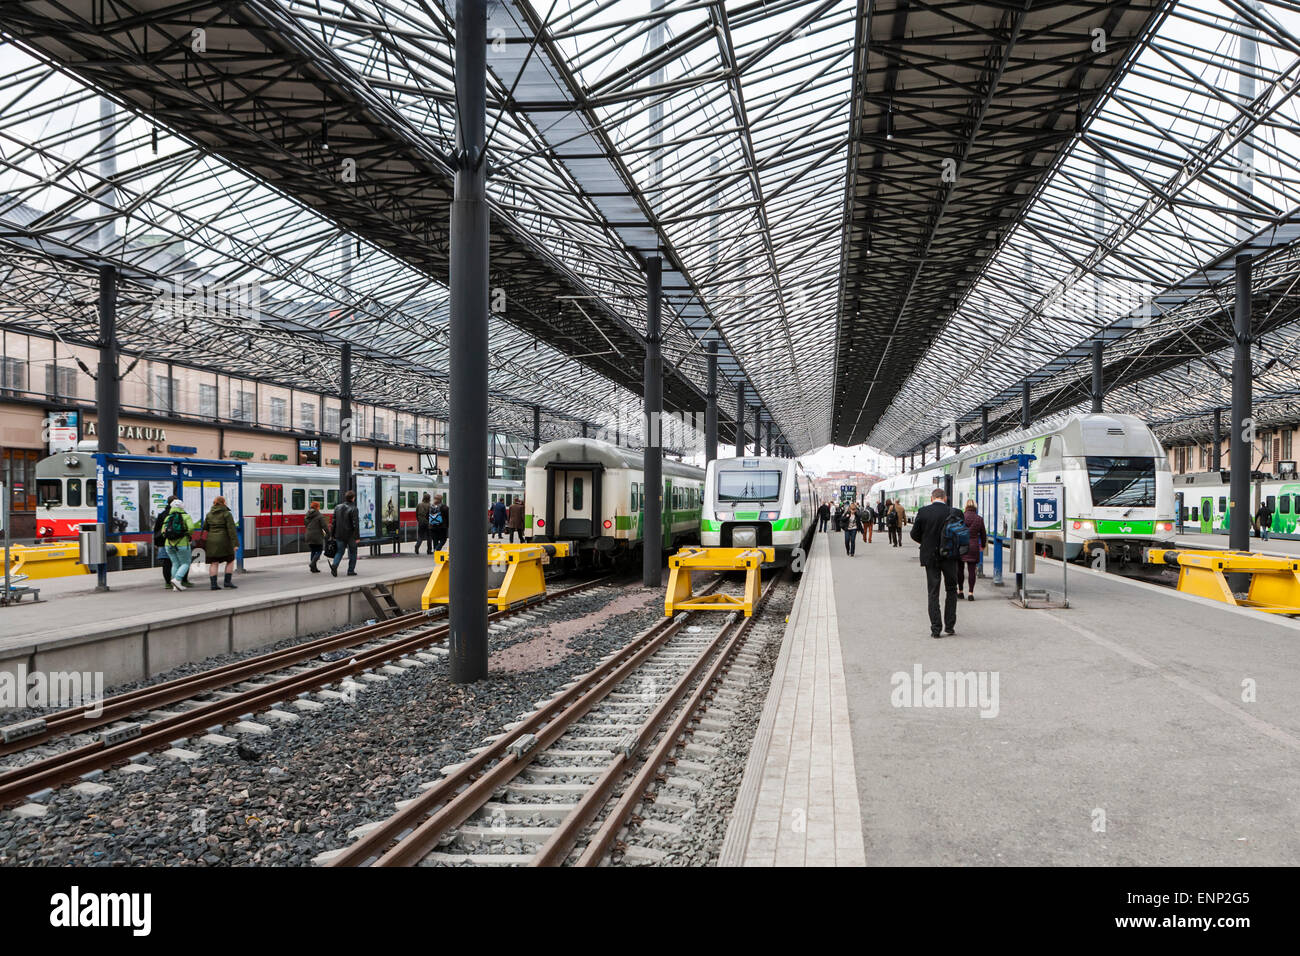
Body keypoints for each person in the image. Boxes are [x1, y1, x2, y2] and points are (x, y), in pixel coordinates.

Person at [910, 488, 962, 638]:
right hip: (950, 556)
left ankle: (936, 629)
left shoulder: (923, 512)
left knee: (933, 592)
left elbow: (914, 534)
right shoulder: (955, 512)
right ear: (945, 498)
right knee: (951, 590)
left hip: (931, 557)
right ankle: (950, 626)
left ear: (932, 498)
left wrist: (926, 542)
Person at [160, 497, 198, 593]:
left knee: (175, 563)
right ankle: (177, 579)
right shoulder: (186, 516)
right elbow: (191, 529)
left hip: (168, 544)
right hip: (182, 543)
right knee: (186, 563)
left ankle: (175, 586)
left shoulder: (168, 517)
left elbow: (163, 532)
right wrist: (185, 534)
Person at [202, 495, 239, 590]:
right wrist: (235, 544)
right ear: (224, 503)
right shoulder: (226, 514)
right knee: (230, 560)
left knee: (214, 562)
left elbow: (205, 527)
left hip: (211, 540)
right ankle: (227, 582)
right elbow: (231, 530)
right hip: (224, 540)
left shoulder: (209, 514)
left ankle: (213, 584)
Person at [152, 495, 188, 590]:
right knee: (182, 562)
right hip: (180, 541)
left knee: (167, 562)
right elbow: (189, 528)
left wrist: (156, 542)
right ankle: (181, 580)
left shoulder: (162, 514)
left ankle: (168, 583)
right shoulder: (183, 514)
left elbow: (157, 530)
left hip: (165, 542)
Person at [958, 499, 987, 601]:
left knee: (960, 570)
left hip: (961, 546)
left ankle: (960, 591)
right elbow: (983, 535)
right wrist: (983, 546)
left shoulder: (960, 518)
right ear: (975, 507)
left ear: (965, 506)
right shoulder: (979, 519)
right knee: (971, 571)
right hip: (974, 547)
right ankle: (970, 593)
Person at [330, 489, 360, 577]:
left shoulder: (337, 507)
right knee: (353, 552)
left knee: (339, 552)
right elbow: (355, 524)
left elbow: (333, 523)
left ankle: (334, 565)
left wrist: (332, 535)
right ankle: (350, 570)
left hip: (339, 534)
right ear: (353, 498)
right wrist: (357, 537)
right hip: (350, 535)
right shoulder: (354, 508)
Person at [304, 500, 328, 572]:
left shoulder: (307, 515)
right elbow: (324, 526)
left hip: (308, 535)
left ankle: (313, 568)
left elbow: (306, 524)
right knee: (319, 551)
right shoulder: (319, 515)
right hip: (317, 536)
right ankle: (312, 564)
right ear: (317, 507)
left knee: (313, 551)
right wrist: (328, 533)